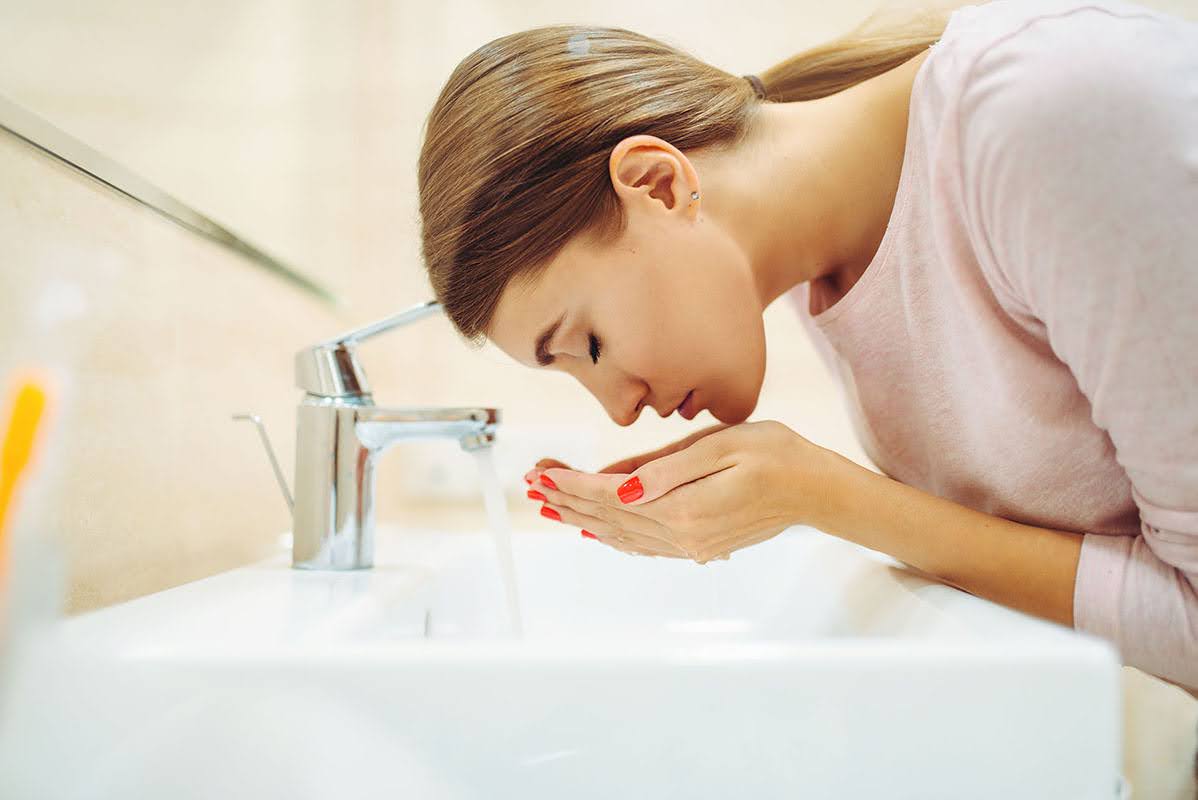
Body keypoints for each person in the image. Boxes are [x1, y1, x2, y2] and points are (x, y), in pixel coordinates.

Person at [417, 0, 1198, 695]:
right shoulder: (818, 270)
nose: (622, 411)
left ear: (657, 183)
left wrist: (825, 496)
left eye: (587, 344)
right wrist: (800, 494)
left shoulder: (1045, 110)